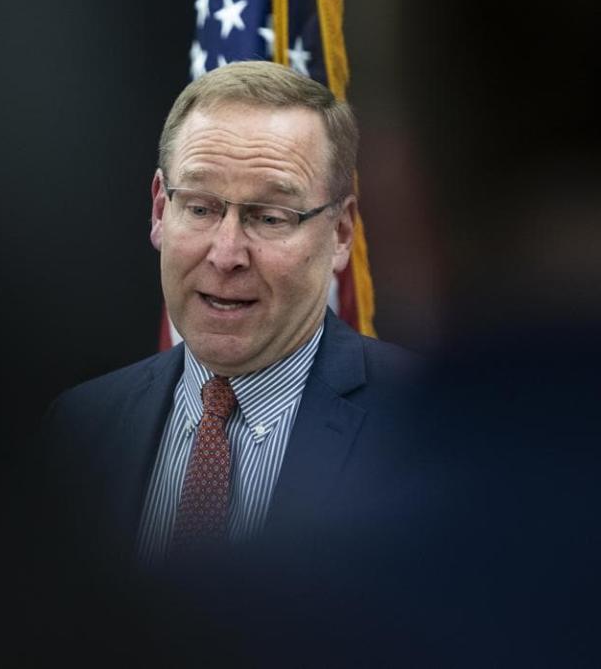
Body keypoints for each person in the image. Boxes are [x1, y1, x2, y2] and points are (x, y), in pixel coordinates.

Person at [34, 61, 433, 664]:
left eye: (270, 217)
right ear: (158, 210)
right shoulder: (80, 427)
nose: (226, 254)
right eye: (199, 208)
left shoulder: (427, 428)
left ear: (343, 233)